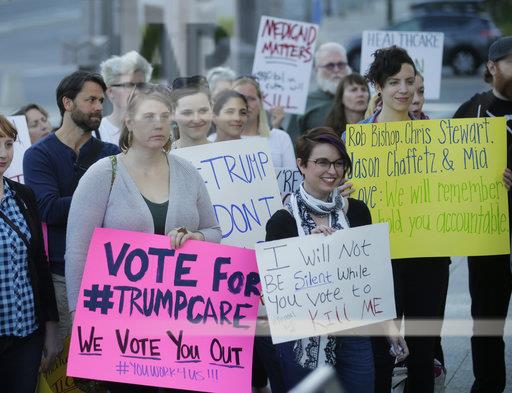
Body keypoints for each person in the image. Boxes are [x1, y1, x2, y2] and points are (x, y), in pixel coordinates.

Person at [65, 83, 222, 393]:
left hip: (183, 320)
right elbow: (78, 252)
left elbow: (215, 231)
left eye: (165, 116)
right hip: (124, 324)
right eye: (149, 116)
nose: (159, 124)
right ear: (129, 120)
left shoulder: (187, 172)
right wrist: (79, 320)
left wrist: (196, 237)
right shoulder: (103, 174)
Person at [264, 127, 408, 393]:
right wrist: (307, 249)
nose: (332, 170)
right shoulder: (283, 221)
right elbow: (276, 292)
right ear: (301, 165)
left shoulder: (358, 212)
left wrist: (390, 325)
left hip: (355, 335)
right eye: (322, 162)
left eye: (339, 163)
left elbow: (373, 275)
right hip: (303, 344)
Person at [361, 46, 451, 393]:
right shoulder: (355, 141)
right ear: (378, 87)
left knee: (423, 353)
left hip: (428, 258)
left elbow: (457, 188)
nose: (403, 89)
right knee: (380, 354)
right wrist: (340, 194)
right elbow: (331, 199)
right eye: (394, 81)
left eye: (409, 81)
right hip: (378, 260)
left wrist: (492, 179)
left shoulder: (437, 138)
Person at [23, 71, 120, 345]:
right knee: (67, 372)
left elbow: (119, 210)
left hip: (109, 275)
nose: (99, 107)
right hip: (61, 277)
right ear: (67, 103)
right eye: (91, 99)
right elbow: (49, 209)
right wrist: (99, 198)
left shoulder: (112, 154)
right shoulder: (39, 154)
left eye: (101, 101)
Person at [453, 36, 512, 393]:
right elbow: (444, 165)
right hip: (488, 236)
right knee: (487, 321)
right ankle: (487, 385)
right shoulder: (472, 110)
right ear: (492, 67)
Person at [0, 114, 59, 391]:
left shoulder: (23, 195)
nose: (3, 153)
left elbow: (39, 264)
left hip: (26, 335)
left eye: (9, 144)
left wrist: (50, 329)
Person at [287, 42, 352, 141]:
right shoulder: (305, 103)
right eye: (330, 66)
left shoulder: (362, 98)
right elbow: (294, 142)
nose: (336, 70)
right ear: (317, 70)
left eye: (341, 64)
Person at [233, 77, 296, 167]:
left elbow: (290, 179)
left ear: (261, 101)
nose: (246, 104)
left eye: (251, 98)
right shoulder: (216, 140)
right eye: (239, 98)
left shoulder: (281, 138)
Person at [99, 50, 153, 144]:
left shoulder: (157, 128)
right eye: (129, 85)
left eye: (141, 85)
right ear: (110, 91)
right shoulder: (97, 132)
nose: (136, 91)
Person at [170, 75, 213, 149]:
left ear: (212, 108)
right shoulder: (162, 158)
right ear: (173, 114)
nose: (196, 119)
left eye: (203, 111)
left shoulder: (226, 154)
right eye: (187, 113)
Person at [324, 73, 370, 137]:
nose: (360, 94)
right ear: (341, 97)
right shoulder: (329, 133)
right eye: (353, 90)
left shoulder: (377, 124)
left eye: (364, 89)